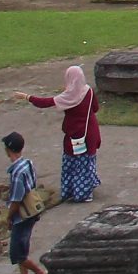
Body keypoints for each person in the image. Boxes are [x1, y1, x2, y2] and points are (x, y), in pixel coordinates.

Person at [23, 64, 101, 201]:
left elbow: (46, 102)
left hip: (74, 134)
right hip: (90, 132)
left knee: (72, 161)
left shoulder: (67, 97)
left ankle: (75, 192)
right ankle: (86, 189)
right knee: (86, 162)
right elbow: (95, 107)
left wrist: (28, 97)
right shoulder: (88, 91)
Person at [3, 132, 50, 274]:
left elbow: (16, 198)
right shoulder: (27, 163)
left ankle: (40, 272)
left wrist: (8, 216)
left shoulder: (17, 173)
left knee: (17, 253)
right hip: (32, 209)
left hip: (22, 215)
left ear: (8, 149)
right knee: (23, 247)